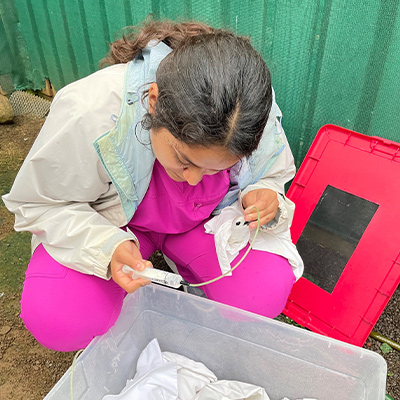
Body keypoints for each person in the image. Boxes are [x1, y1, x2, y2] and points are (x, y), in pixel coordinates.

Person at [2, 19, 302, 352]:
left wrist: (263, 193)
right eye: (183, 159)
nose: (192, 178)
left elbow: (269, 170)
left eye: (219, 166)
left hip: (201, 225)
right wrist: (106, 247)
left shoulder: (247, 109)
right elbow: (42, 203)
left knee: (263, 292)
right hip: (117, 226)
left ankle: (190, 265)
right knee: (59, 317)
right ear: (154, 101)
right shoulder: (91, 111)